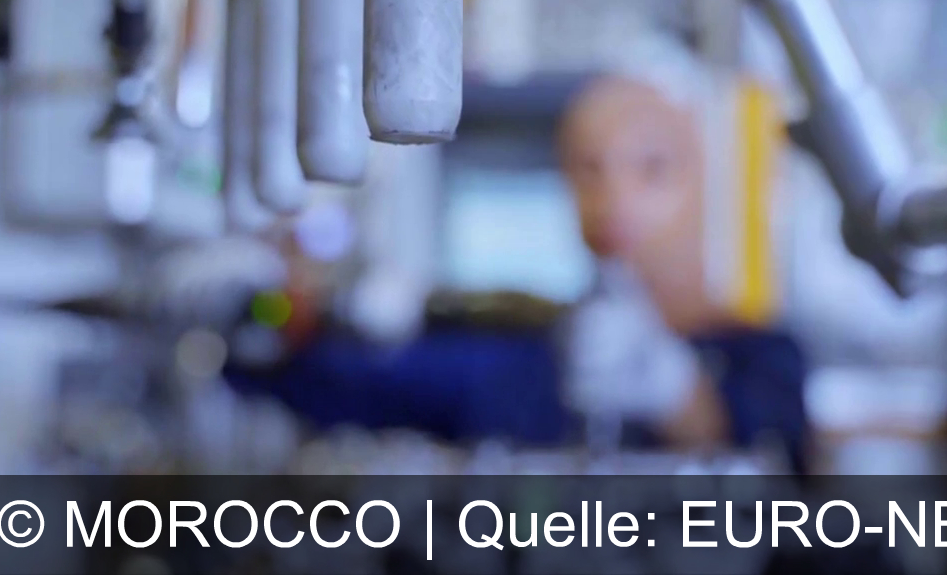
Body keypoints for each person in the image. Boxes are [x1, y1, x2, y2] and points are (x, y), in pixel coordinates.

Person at [224, 37, 810, 471]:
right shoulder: (529, 358)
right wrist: (276, 315)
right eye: (590, 169)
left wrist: (683, 398)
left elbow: (787, 472)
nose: (616, 198)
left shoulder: (765, 360)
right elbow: (344, 384)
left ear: (702, 182)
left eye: (652, 169)